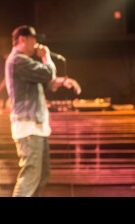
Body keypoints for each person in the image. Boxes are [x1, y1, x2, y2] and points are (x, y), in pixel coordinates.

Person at [5, 25, 81, 197]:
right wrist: (46, 56)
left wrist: (62, 81)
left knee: (42, 175)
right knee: (30, 175)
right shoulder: (18, 60)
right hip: (28, 127)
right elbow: (48, 73)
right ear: (22, 39)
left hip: (36, 126)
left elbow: (46, 81)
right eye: (33, 39)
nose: (36, 43)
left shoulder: (24, 62)